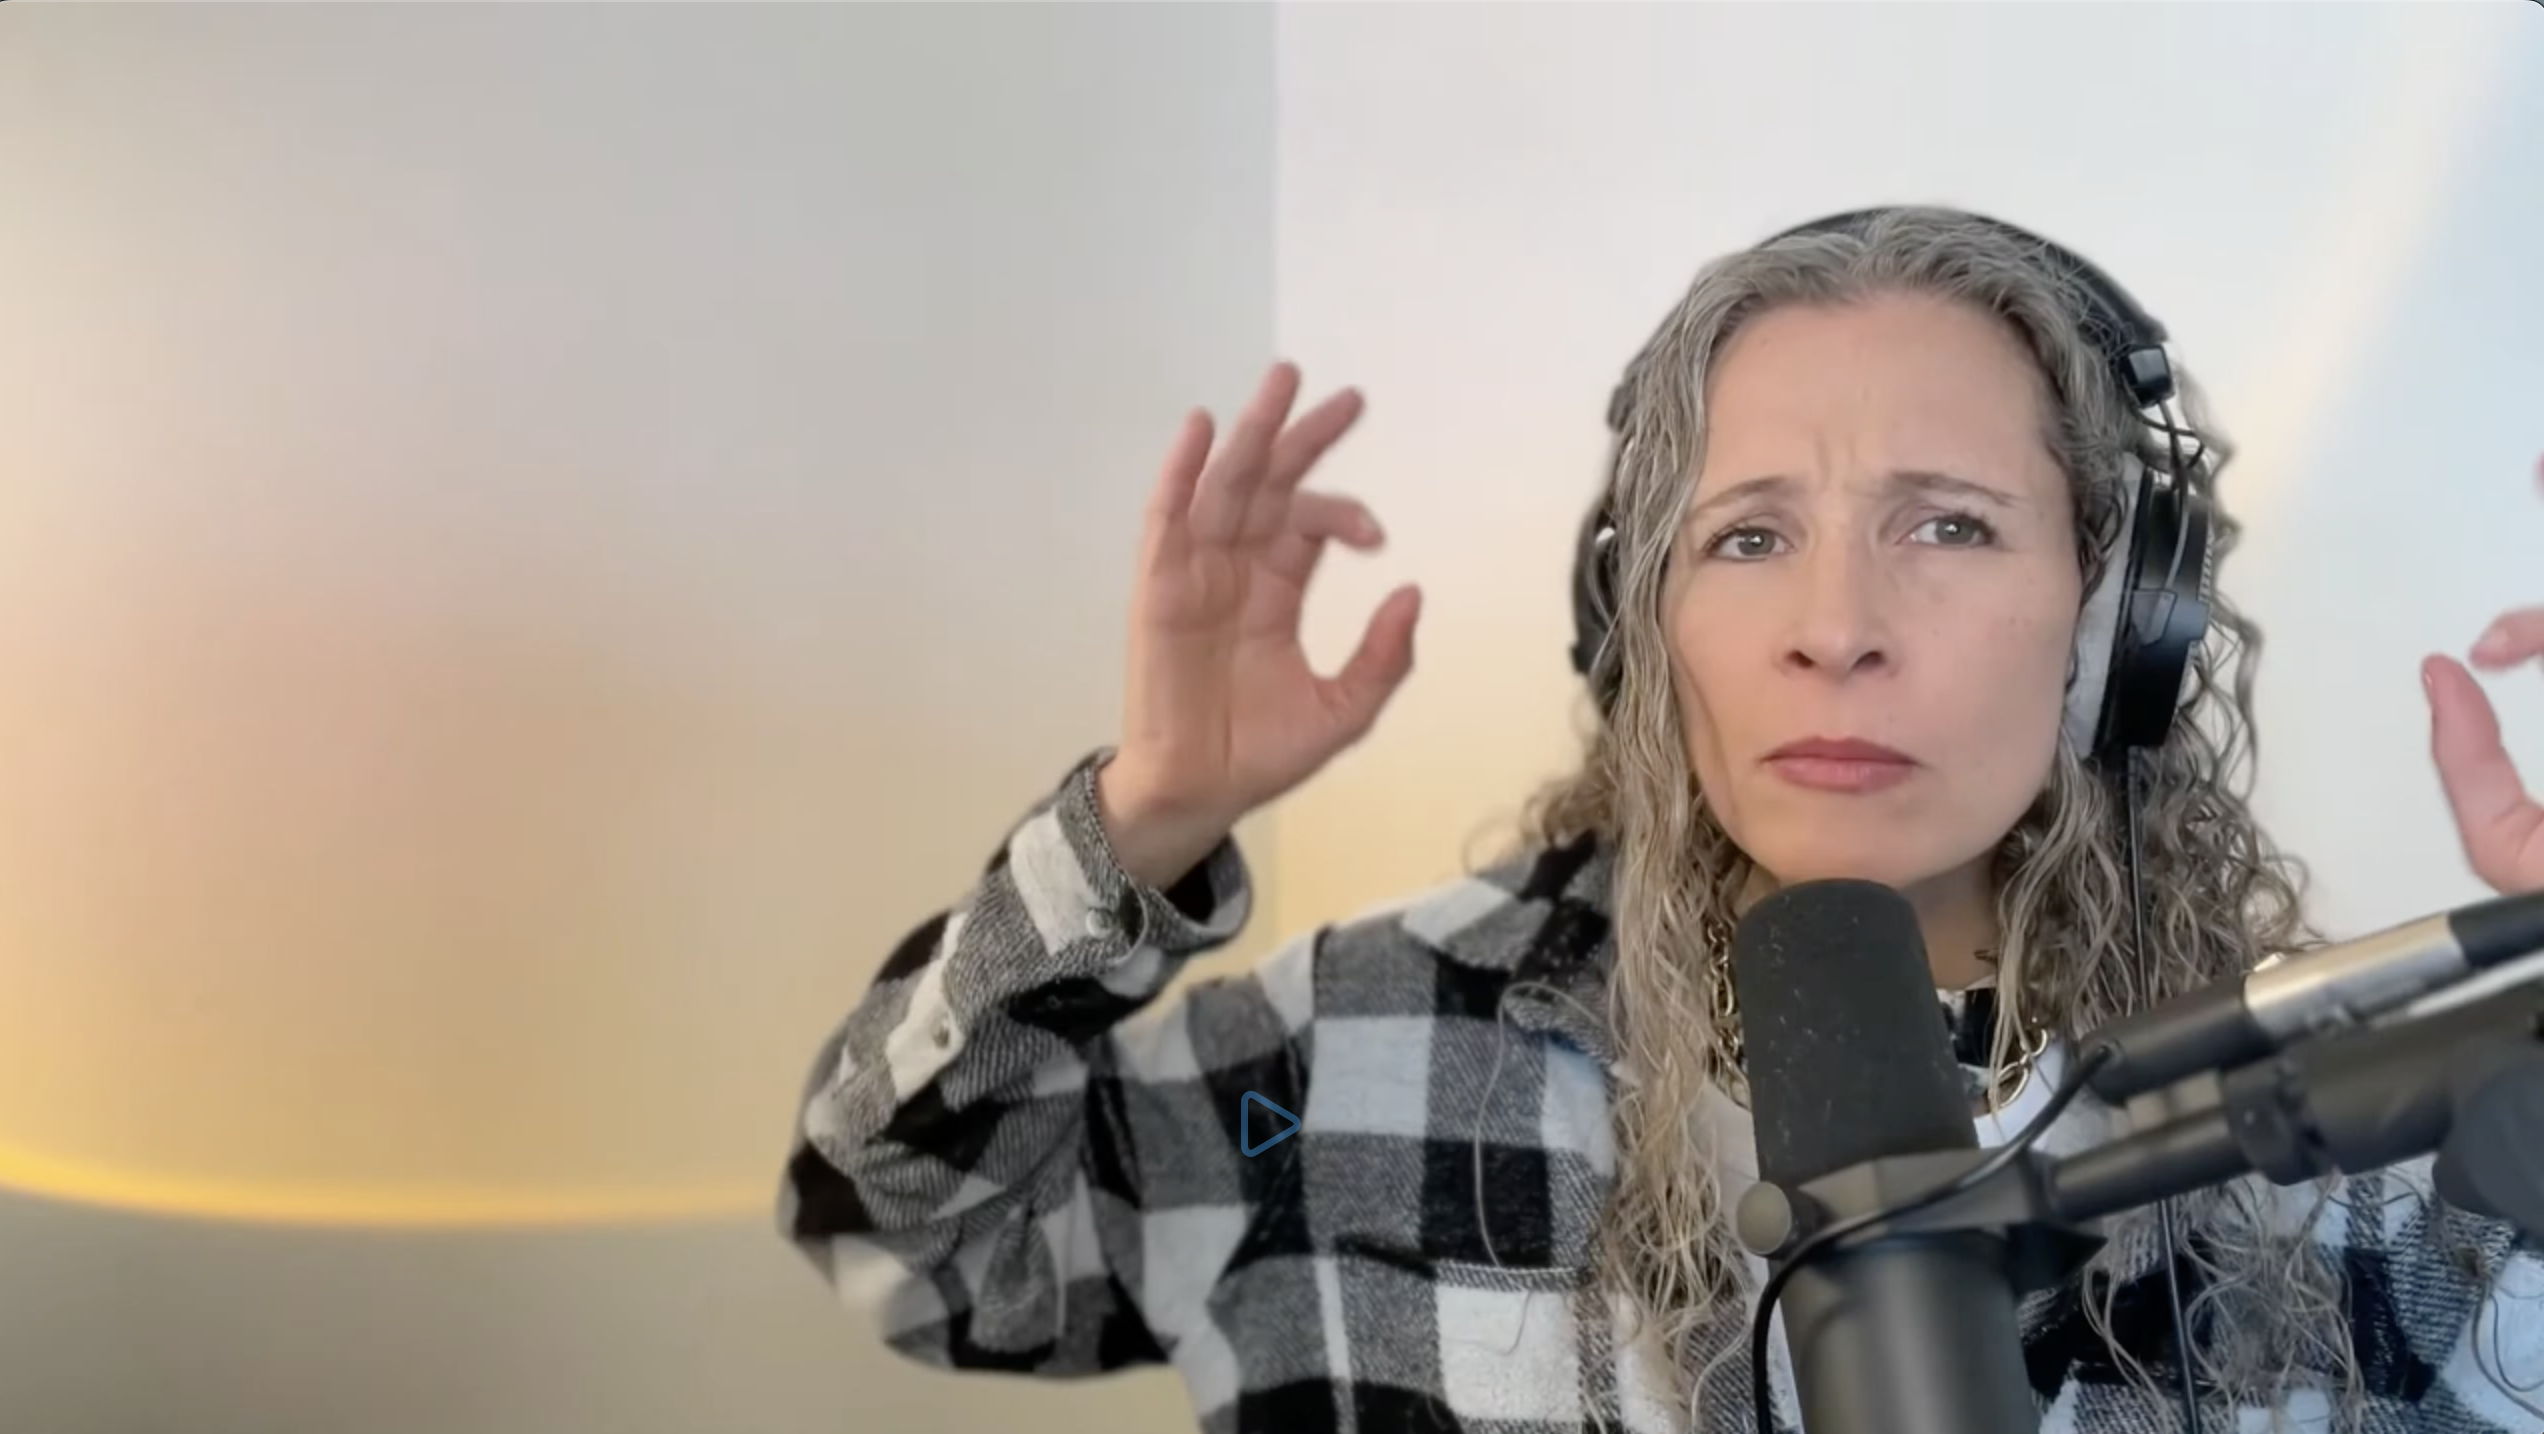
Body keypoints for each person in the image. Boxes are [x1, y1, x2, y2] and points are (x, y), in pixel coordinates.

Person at [777, 206, 2543, 1433]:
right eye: (1748, 533)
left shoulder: (2337, 1129)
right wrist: (1143, 821)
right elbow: (919, 1250)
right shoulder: (1343, 1062)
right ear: (1646, 630)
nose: (1832, 625)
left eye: (1948, 525)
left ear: (2117, 626)